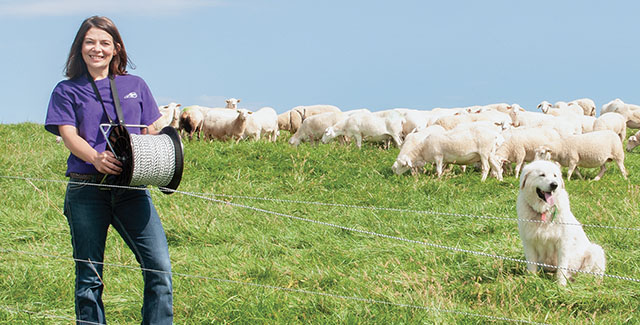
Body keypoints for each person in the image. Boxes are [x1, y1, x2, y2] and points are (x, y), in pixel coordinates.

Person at [44, 16, 173, 324]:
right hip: (86, 189)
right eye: (90, 42)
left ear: (116, 48)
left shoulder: (136, 85)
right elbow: (68, 134)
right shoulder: (66, 90)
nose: (96, 49)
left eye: (104, 43)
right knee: (89, 279)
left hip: (132, 190)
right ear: (80, 48)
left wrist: (162, 154)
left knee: (160, 269)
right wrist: (95, 157)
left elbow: (153, 130)